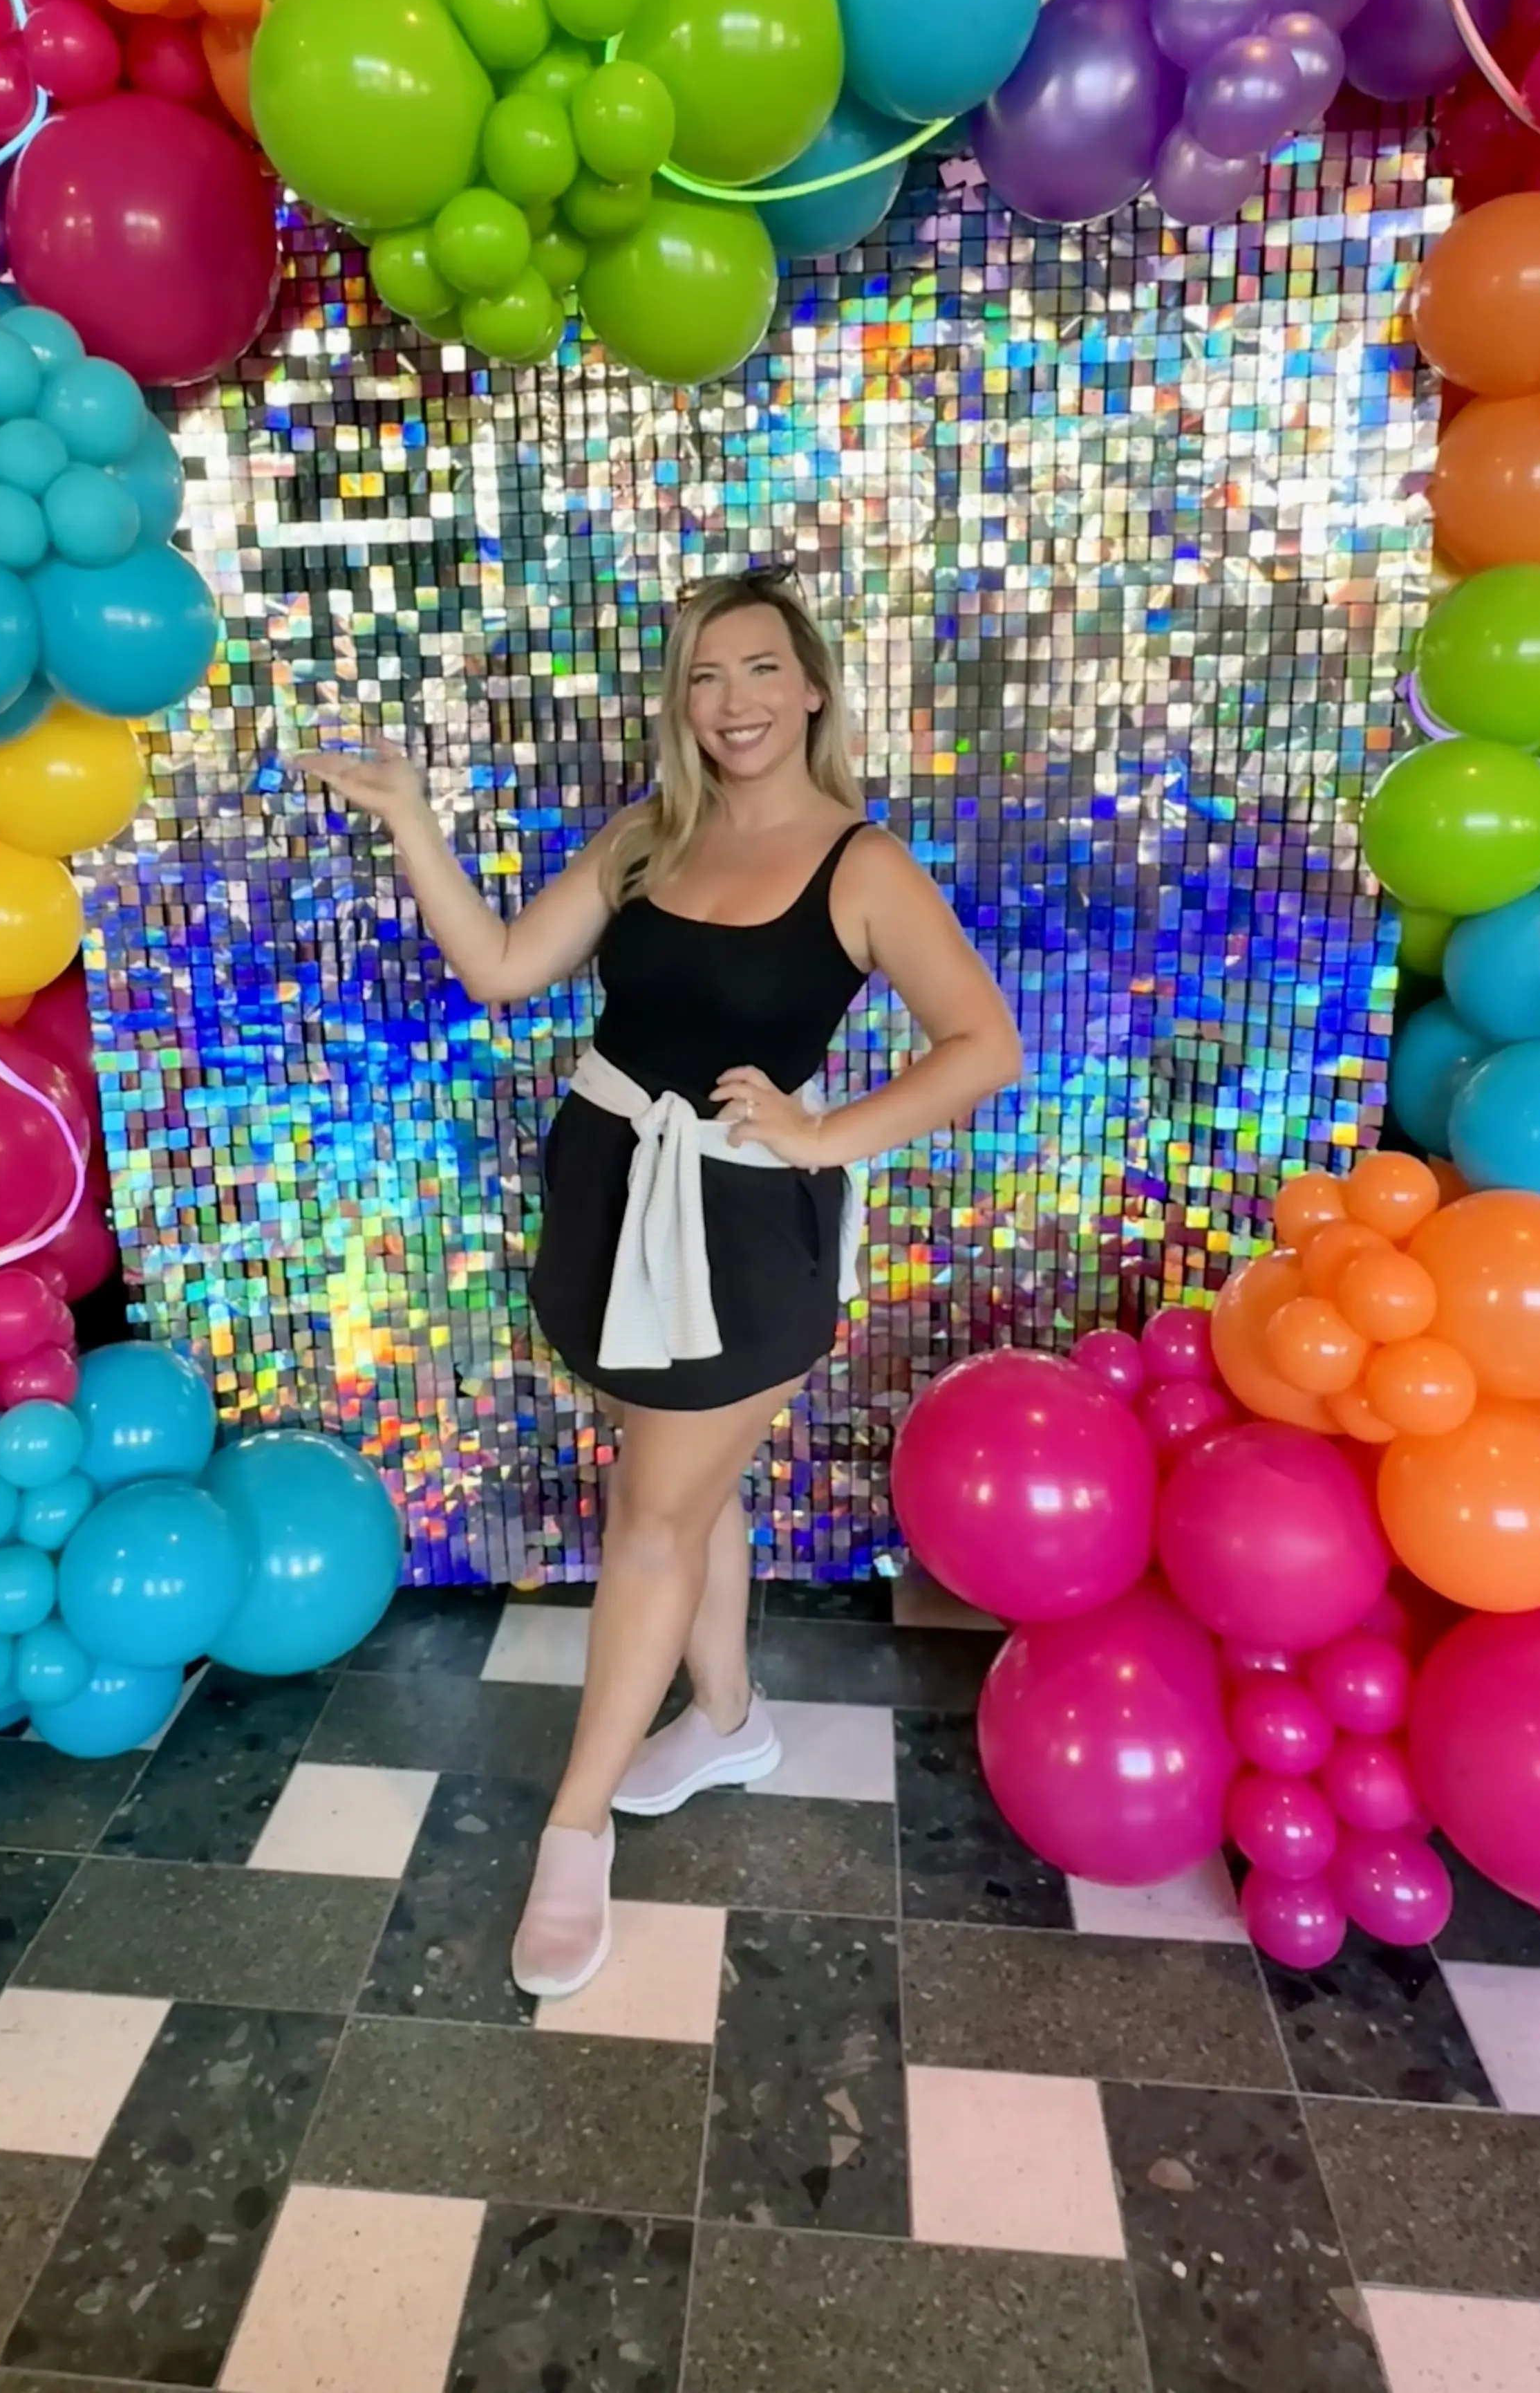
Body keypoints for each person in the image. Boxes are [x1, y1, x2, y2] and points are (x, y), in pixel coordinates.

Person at [301, 568, 1022, 1999]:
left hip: (743, 1239)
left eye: (760, 671)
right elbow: (506, 968)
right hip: (609, 1198)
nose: (733, 704)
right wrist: (412, 828)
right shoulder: (647, 836)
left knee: (652, 1513)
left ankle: (574, 1831)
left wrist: (821, 1132)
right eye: (704, 677)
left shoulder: (861, 865)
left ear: (812, 688)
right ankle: (731, 1716)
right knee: (696, 1488)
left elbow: (981, 1047)